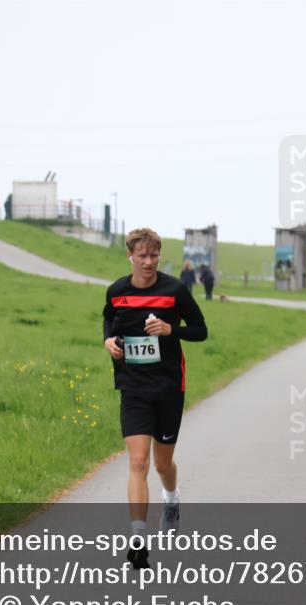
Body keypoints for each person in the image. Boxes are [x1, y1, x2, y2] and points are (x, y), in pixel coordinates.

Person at [102, 228, 208, 570]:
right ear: (130, 256)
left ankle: (172, 498)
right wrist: (108, 341)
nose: (148, 263)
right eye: (142, 256)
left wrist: (169, 330)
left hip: (167, 388)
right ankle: (138, 540)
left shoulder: (174, 290)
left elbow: (200, 330)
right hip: (133, 387)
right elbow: (108, 318)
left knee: (162, 464)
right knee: (137, 462)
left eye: (154, 256)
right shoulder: (118, 291)